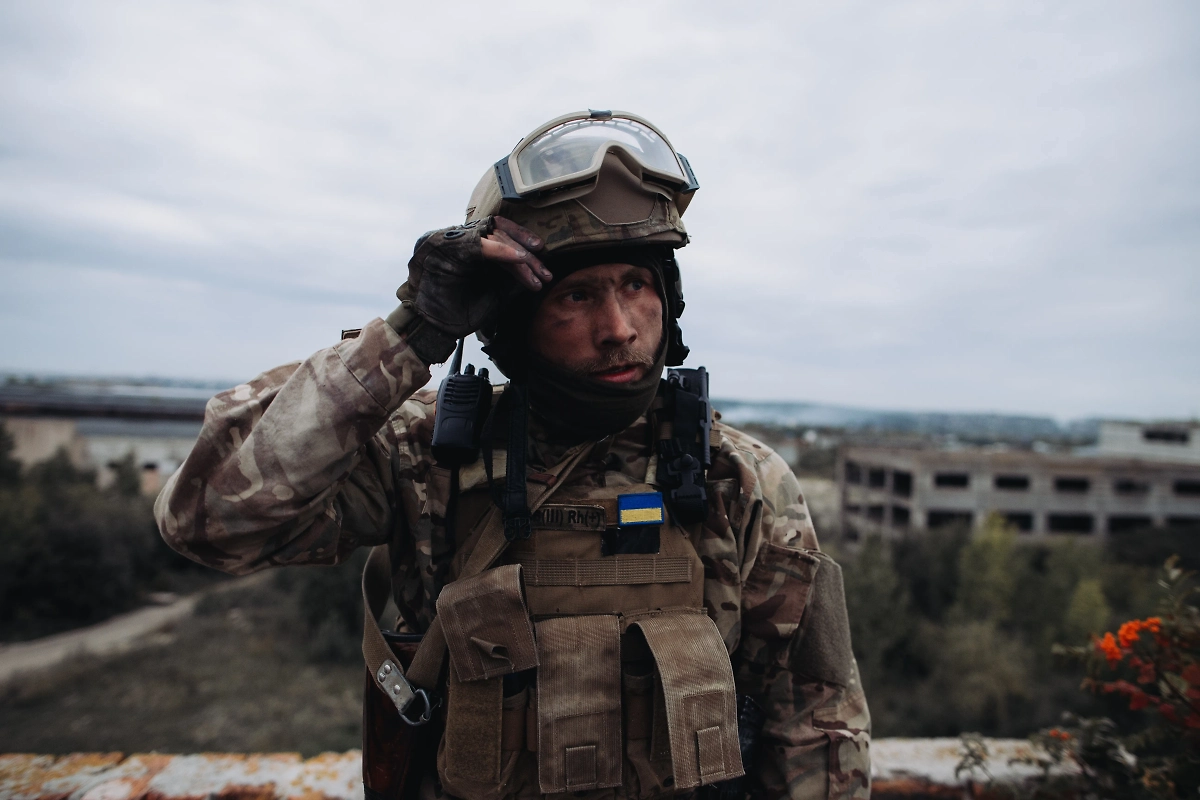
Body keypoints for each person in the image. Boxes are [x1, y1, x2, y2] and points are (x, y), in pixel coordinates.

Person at [155, 110, 870, 800]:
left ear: (669, 299)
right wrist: (412, 331)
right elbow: (209, 520)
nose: (619, 328)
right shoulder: (426, 458)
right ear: (513, 324)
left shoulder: (737, 477)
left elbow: (815, 721)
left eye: (636, 286)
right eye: (577, 296)